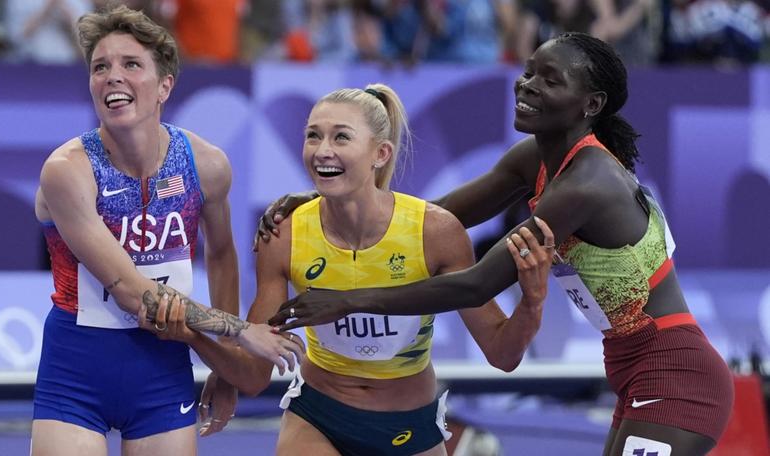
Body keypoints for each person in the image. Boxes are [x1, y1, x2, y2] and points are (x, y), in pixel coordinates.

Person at [264, 32, 734, 455]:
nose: (527, 85)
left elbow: (475, 285)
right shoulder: (537, 158)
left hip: (676, 372)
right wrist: (335, 193)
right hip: (634, 366)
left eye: (550, 81)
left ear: (590, 104)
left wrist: (347, 301)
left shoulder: (587, 184)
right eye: (529, 71)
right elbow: (430, 220)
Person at [149, 83, 554, 455]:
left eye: (341, 137)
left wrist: (532, 303)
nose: (322, 149)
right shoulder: (285, 233)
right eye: (313, 135)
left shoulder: (436, 232)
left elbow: (502, 354)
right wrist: (191, 336)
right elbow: (255, 377)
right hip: (319, 417)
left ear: (381, 153)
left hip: (411, 425)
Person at [32, 6, 302, 456]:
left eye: (131, 64)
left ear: (164, 87)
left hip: (161, 374)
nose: (112, 76)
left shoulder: (206, 164)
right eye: (100, 67)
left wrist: (226, 365)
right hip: (75, 373)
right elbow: (133, 294)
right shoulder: (67, 171)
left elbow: (220, 254)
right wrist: (240, 333)